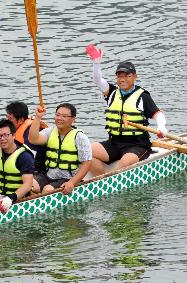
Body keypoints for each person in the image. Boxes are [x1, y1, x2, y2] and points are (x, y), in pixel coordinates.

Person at [86, 45, 167, 175]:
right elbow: (97, 80)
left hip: (137, 145)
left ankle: (111, 177)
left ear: (135, 77)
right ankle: (101, 179)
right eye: (119, 76)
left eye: (127, 76)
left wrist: (161, 127)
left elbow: (158, 114)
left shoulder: (142, 96)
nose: (122, 79)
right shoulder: (111, 92)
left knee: (125, 163)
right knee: (86, 151)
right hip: (114, 142)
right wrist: (96, 63)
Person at [27, 103, 93, 195]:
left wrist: (72, 182)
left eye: (64, 116)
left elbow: (87, 163)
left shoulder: (80, 137)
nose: (60, 118)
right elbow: (33, 139)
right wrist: (38, 117)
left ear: (73, 119)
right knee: (28, 184)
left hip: (67, 178)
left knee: (47, 190)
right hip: (48, 175)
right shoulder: (50, 131)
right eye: (58, 115)